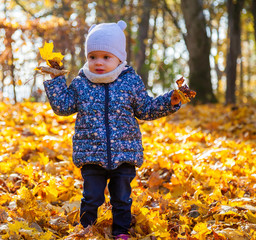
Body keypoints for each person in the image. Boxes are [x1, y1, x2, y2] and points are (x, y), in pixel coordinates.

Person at [43, 20, 182, 240]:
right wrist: (56, 80)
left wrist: (169, 101)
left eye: (106, 57)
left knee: (122, 198)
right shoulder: (81, 83)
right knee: (91, 197)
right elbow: (63, 107)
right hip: (91, 154)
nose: (98, 62)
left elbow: (145, 109)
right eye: (93, 57)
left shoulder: (130, 82)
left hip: (124, 153)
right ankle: (87, 230)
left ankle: (120, 231)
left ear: (119, 58)